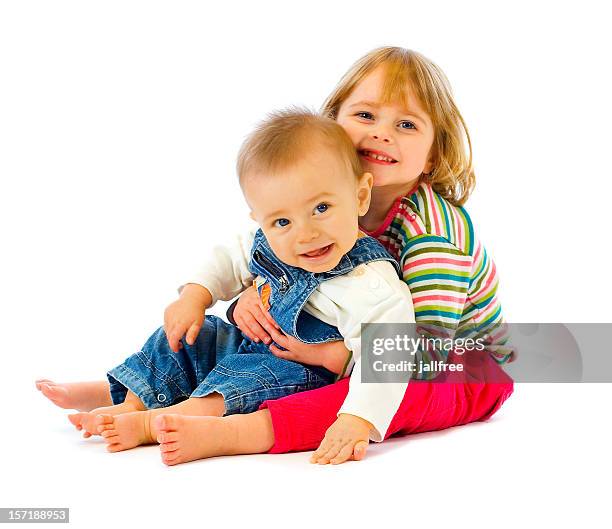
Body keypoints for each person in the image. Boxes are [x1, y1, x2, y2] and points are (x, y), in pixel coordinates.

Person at [36, 46, 515, 466]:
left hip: (459, 365)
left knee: (371, 396)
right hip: (353, 340)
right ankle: (127, 388)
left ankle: (239, 431)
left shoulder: (434, 236)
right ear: (333, 124)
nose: (382, 134)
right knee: (220, 341)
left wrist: (337, 356)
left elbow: (414, 352)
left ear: (433, 154)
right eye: (366, 116)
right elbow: (267, 257)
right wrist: (252, 293)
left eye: (406, 125)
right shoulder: (322, 199)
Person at [40, 108, 419, 454]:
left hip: (300, 370)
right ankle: (128, 399)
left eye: (321, 208)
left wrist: (359, 417)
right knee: (193, 336)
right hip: (247, 342)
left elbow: (390, 353)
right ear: (261, 218)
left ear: (360, 196)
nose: (305, 234)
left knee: (248, 376)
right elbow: (227, 259)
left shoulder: (370, 282)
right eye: (282, 222)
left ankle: (150, 423)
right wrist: (195, 295)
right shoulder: (265, 242)